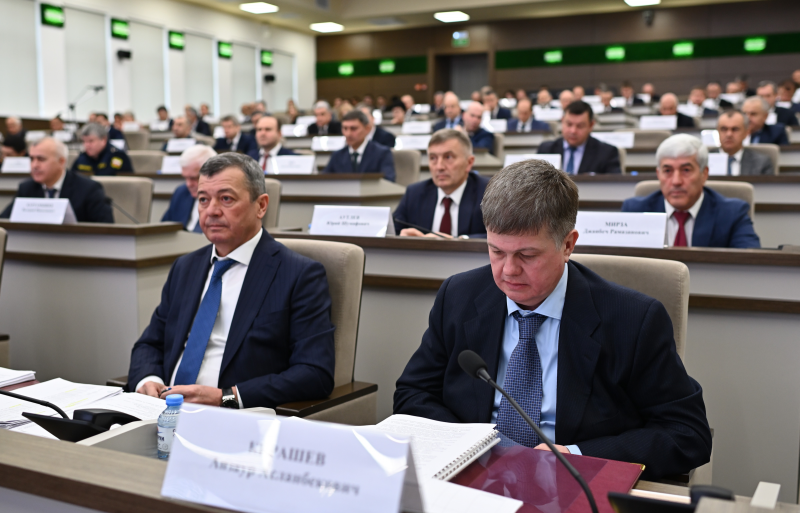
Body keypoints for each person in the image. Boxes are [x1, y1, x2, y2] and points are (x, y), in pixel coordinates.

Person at [394, 159, 712, 480]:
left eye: (527, 255)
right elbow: (412, 394)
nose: (508, 271)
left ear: (568, 245)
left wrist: (575, 457)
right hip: (471, 475)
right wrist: (468, 444)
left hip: (571, 480)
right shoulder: (458, 296)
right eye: (496, 251)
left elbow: (687, 433)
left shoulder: (634, 320)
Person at [127, 153, 336, 408]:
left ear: (261, 205)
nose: (212, 211)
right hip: (162, 409)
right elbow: (150, 344)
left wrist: (226, 397)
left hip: (236, 417)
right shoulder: (185, 267)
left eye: (226, 199)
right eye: (203, 200)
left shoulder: (299, 274)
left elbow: (314, 373)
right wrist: (148, 380)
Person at [622, 134, 760, 248]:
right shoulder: (635, 211)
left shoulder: (732, 214)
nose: (676, 181)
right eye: (668, 171)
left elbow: (751, 263)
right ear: (658, 174)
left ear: (704, 174)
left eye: (686, 170)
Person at [394, 129, 488, 239]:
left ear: (469, 162)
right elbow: (392, 230)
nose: (439, 167)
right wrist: (403, 236)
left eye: (448, 157)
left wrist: (460, 242)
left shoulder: (488, 193)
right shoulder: (414, 193)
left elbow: (502, 236)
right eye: (433, 158)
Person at [1, 137, 113, 223]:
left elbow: (106, 229)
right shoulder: (26, 188)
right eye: (32, 159)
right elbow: (4, 221)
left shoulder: (88, 189)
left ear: (61, 162)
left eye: (41, 159)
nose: (34, 165)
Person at [537, 101, 621, 175]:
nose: (573, 131)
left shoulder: (607, 153)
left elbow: (614, 185)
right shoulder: (546, 150)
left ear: (591, 125)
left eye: (580, 126)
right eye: (569, 124)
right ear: (562, 121)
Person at [322, 110, 395, 182]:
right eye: (345, 128)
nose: (348, 134)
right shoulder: (337, 155)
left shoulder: (382, 153)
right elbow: (324, 180)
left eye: (353, 129)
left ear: (367, 129)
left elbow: (388, 180)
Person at [161, 145, 218, 231]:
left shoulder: (223, 202)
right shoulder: (181, 192)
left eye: (194, 178)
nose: (188, 184)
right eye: (185, 178)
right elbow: (163, 229)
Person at [716, 111, 773, 176]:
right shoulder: (706, 160)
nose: (729, 134)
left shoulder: (761, 163)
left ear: (746, 132)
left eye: (735, 129)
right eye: (724, 129)